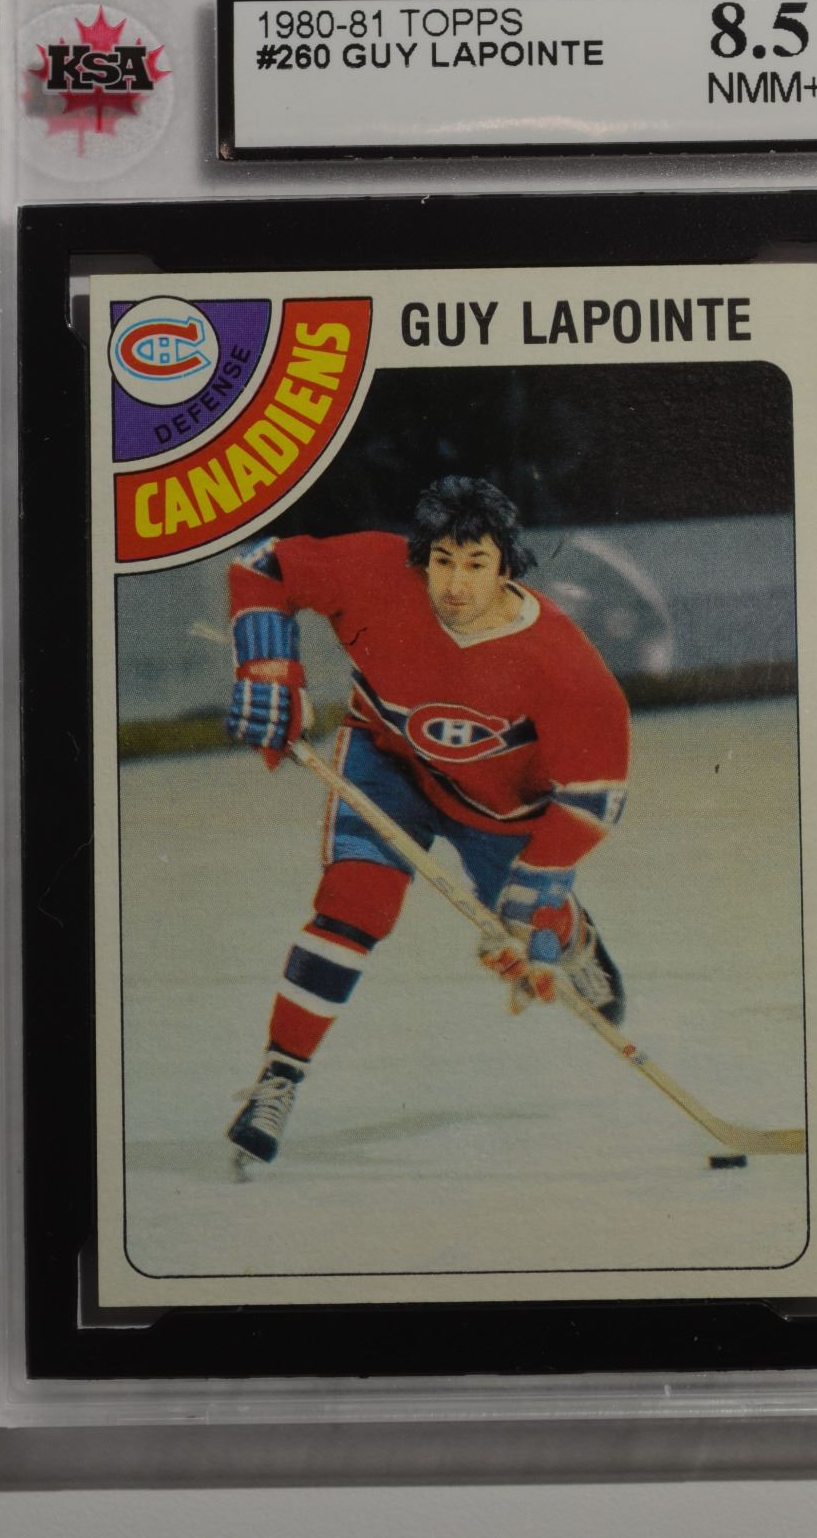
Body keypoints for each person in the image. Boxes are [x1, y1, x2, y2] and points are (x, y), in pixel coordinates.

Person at [224, 476, 631, 1170]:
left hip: (502, 808)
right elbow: (263, 565)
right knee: (354, 902)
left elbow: (591, 800)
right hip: (388, 764)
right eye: (442, 560)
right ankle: (278, 1077)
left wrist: (536, 890)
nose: (455, 584)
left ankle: (580, 943)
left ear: (507, 565)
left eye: (476, 564)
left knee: (534, 919)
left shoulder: (565, 665)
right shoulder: (377, 570)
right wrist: (267, 666)